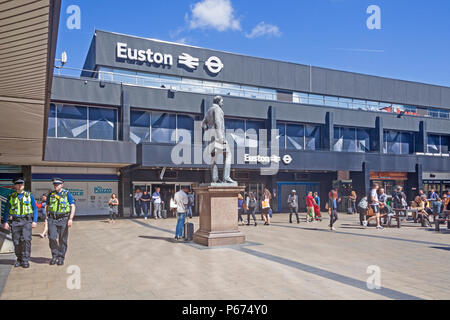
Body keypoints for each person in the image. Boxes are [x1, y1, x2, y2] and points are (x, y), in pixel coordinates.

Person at [2, 178, 38, 268]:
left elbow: (35, 209)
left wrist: (35, 221)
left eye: (21, 184)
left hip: (26, 221)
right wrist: (5, 222)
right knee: (16, 241)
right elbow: (6, 210)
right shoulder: (11, 196)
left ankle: (25, 260)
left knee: (26, 240)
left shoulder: (29, 195)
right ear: (15, 185)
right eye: (17, 184)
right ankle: (19, 258)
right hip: (15, 222)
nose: (19, 185)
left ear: (24, 185)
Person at [45, 178, 76, 266]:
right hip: (52, 219)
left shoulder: (67, 194)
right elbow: (46, 206)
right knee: (52, 238)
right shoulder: (51, 194)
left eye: (58, 184)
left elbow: (72, 206)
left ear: (62, 185)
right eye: (55, 184)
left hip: (63, 219)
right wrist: (46, 216)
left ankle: (61, 257)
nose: (56, 186)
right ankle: (54, 256)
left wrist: (70, 218)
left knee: (63, 239)